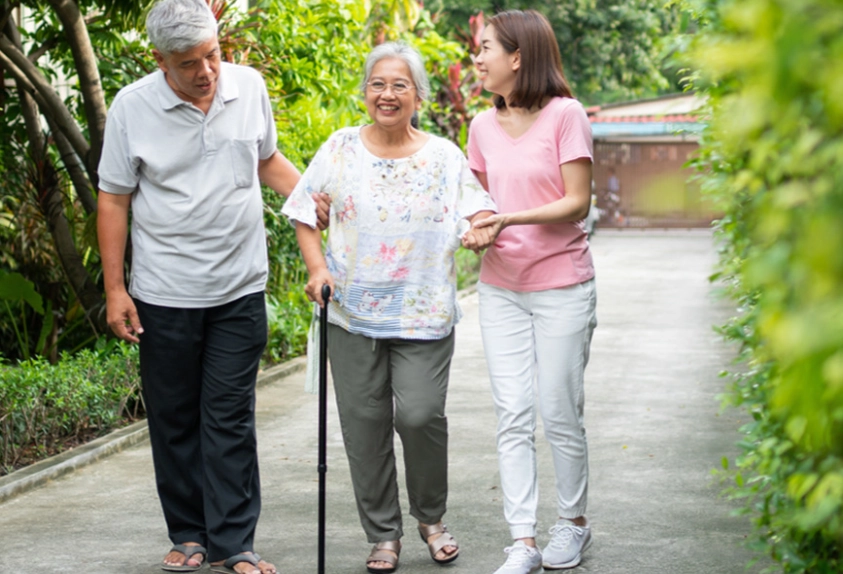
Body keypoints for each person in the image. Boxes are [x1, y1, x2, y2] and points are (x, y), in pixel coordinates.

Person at [96, 0, 304, 572]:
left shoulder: (249, 87)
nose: (206, 71)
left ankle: (235, 542)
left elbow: (267, 161)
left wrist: (315, 198)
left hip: (239, 286)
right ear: (159, 60)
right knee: (175, 416)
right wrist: (116, 289)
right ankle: (189, 533)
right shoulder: (132, 107)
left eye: (212, 54)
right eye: (189, 63)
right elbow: (114, 198)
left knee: (230, 416)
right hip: (164, 292)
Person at [282, 42, 496, 574]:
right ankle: (383, 534)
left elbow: (482, 209)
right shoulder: (340, 148)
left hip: (423, 314)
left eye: (400, 84)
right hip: (351, 313)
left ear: (418, 94)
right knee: (364, 423)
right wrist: (316, 269)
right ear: (365, 91)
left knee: (421, 415)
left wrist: (477, 230)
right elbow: (304, 210)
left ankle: (431, 517)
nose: (387, 94)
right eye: (378, 83)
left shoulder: (445, 156)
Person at [462, 9, 598, 574]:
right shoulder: (479, 126)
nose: (477, 57)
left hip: (562, 284)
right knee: (512, 412)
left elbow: (577, 202)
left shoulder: (566, 115)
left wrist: (507, 218)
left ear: (518, 56)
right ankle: (523, 539)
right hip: (501, 289)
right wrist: (475, 226)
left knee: (559, 410)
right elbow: (478, 199)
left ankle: (573, 526)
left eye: (485, 47)